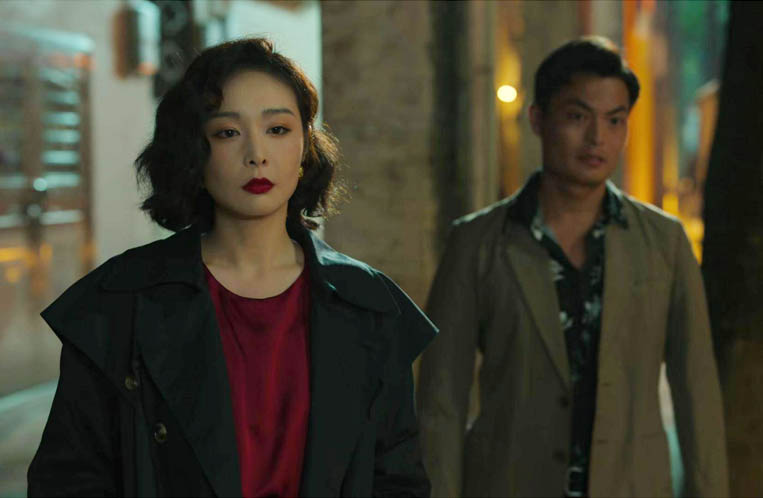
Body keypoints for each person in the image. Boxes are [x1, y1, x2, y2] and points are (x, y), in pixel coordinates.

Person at [28, 38, 436, 497]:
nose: (256, 154)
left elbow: (397, 481)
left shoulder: (370, 306)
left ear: (305, 148)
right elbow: (68, 480)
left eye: (278, 129)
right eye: (227, 132)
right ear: (193, 151)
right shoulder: (121, 302)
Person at [417, 36, 728, 497]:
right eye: (578, 117)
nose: (597, 138)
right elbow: (441, 401)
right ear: (538, 119)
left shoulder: (664, 243)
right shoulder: (477, 242)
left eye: (614, 120)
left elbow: (697, 391)